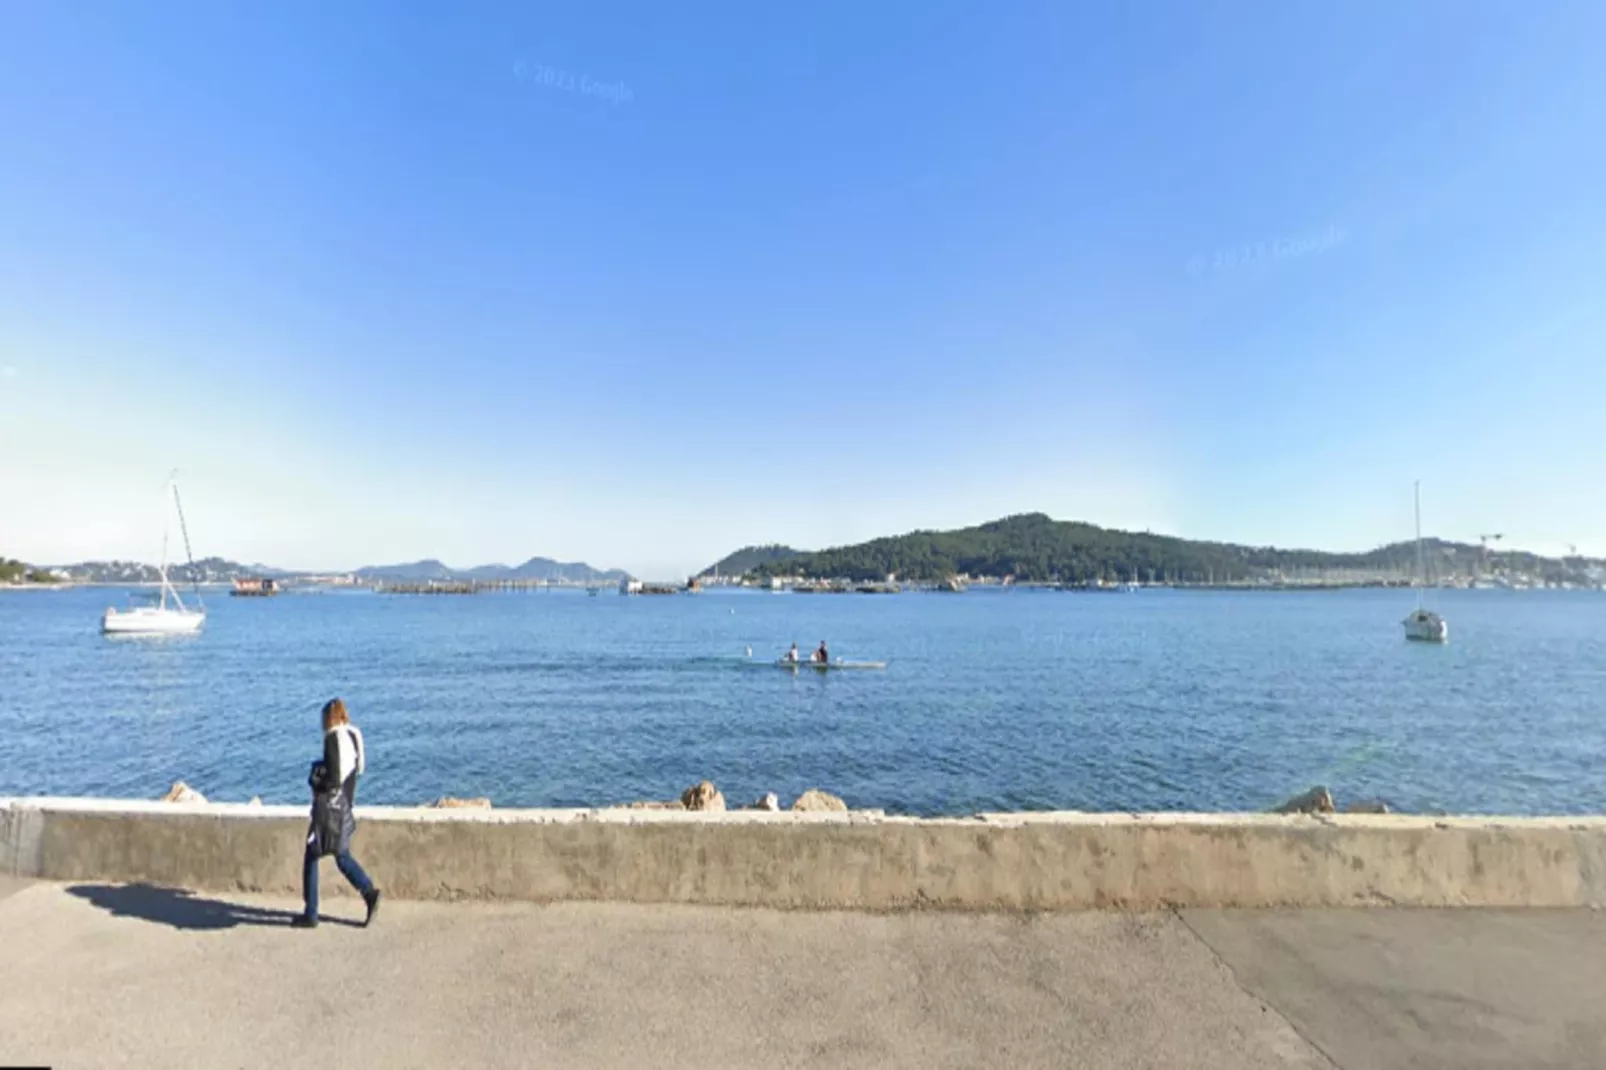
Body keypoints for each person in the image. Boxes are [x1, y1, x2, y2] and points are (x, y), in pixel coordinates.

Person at [294, 697, 381, 929]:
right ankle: (369, 892)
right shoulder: (354, 734)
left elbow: (332, 778)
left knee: (312, 855)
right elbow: (357, 768)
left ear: (329, 718)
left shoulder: (332, 737)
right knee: (341, 855)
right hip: (346, 806)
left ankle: (311, 913)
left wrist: (316, 781)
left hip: (330, 808)